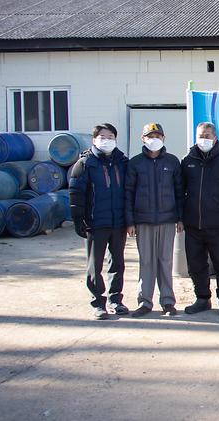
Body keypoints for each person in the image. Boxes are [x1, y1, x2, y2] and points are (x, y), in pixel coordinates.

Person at [181, 122, 219, 317]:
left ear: (215, 138)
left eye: (207, 135)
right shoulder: (188, 160)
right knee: (196, 264)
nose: (204, 139)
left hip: (218, 223)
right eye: (201, 135)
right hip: (193, 224)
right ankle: (202, 298)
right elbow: (180, 189)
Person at [69, 123, 130, 320]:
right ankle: (98, 302)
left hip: (118, 222)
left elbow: (129, 191)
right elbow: (76, 193)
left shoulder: (122, 162)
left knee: (117, 263)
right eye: (102, 137)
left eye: (110, 137)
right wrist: (78, 218)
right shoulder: (85, 164)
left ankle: (116, 300)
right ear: (94, 139)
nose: (107, 140)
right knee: (95, 266)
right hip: (95, 223)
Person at [125, 123, 184, 318]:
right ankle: (145, 302)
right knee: (146, 262)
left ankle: (168, 301)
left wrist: (180, 218)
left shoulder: (172, 162)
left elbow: (179, 192)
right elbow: (128, 193)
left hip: (167, 220)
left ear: (164, 138)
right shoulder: (135, 163)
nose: (154, 139)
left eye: (158, 136)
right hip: (143, 220)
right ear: (143, 139)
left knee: (165, 261)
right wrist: (130, 221)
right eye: (150, 136)